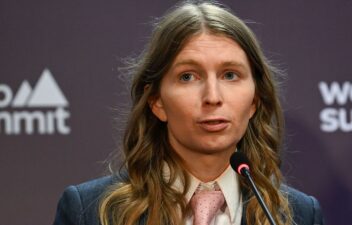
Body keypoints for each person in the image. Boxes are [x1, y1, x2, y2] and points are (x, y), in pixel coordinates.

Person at [53, 1, 324, 225]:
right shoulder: (87, 212)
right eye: (188, 77)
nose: (213, 97)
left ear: (255, 100)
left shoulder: (299, 215)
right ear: (157, 101)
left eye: (230, 75)